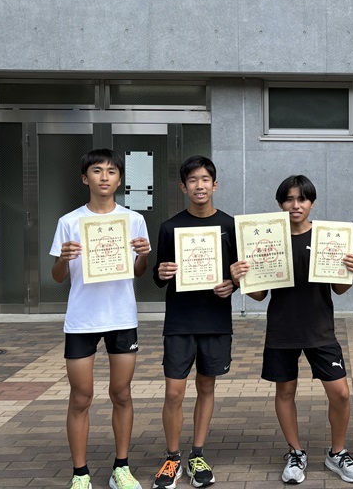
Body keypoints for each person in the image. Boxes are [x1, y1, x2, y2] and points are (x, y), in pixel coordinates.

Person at [230, 175, 353, 485]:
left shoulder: (327, 237)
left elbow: (339, 288)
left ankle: (337, 453)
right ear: (280, 204)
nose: (295, 205)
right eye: (289, 199)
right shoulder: (268, 239)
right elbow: (260, 295)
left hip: (320, 328)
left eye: (302, 199)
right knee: (285, 391)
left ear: (311, 203)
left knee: (341, 393)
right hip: (282, 328)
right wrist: (240, 279)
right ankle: (295, 453)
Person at [50, 148, 151, 489]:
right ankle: (80, 474)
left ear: (120, 179)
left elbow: (138, 271)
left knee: (121, 393)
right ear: (85, 178)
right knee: (81, 397)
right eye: (97, 170)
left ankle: (121, 467)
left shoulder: (133, 220)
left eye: (111, 171)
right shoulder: (69, 222)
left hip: (121, 317)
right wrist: (63, 259)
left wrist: (143, 256)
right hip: (82, 319)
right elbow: (58, 277)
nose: (104, 176)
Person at [151, 156, 238, 489]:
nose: (199, 186)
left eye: (205, 180)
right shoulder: (169, 227)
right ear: (183, 187)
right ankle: (172, 457)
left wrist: (233, 284)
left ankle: (197, 453)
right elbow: (159, 275)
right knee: (174, 392)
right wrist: (161, 272)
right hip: (180, 322)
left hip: (215, 320)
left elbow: (239, 272)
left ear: (215, 185)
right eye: (192, 180)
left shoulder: (230, 225)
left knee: (206, 387)